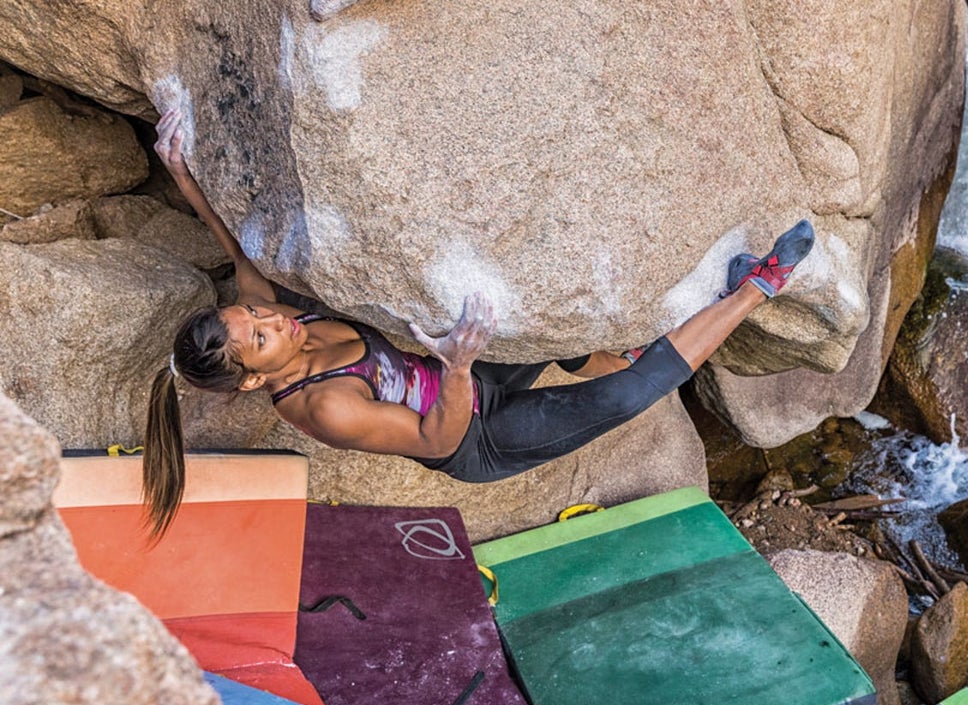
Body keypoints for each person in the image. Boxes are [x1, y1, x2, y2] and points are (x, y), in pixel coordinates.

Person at [143, 110, 815, 537]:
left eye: (255, 313)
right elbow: (438, 437)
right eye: (260, 335)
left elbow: (237, 252)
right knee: (624, 396)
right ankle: (759, 287)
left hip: (458, 370)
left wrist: (180, 167)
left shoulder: (272, 323)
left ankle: (649, 339)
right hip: (475, 434)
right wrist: (459, 366)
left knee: (569, 344)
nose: (273, 321)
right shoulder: (328, 408)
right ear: (255, 383)